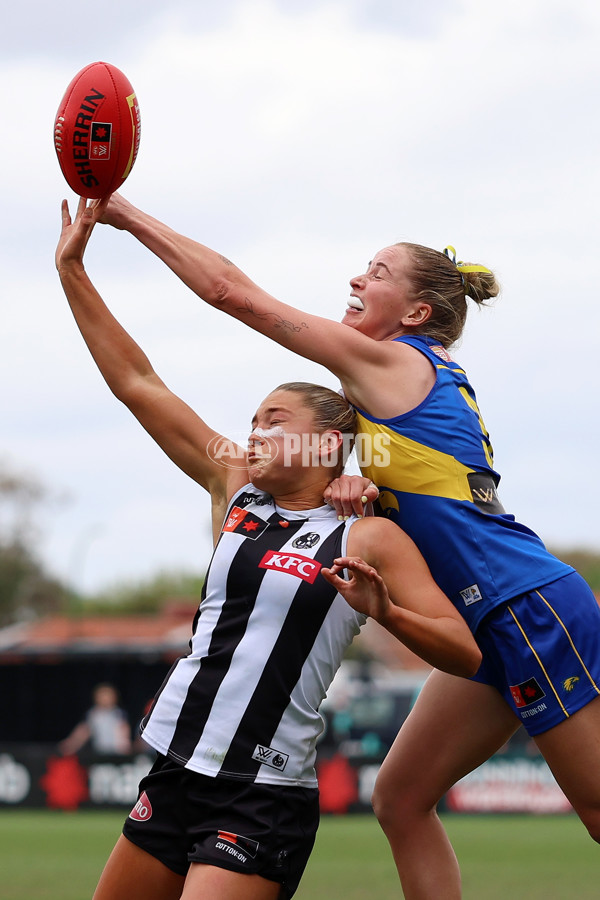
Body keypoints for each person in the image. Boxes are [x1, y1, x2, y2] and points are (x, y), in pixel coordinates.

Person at [96, 193, 600, 899]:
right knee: (399, 799)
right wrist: (360, 480)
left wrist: (124, 213)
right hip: (485, 611)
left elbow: (228, 292)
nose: (358, 280)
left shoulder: (390, 361)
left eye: (377, 271)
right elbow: (396, 470)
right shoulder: (390, 393)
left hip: (524, 602)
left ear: (416, 313)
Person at [59, 682, 132, 756]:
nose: (105, 698)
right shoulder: (93, 714)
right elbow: (83, 731)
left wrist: (125, 745)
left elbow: (124, 730)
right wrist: (72, 744)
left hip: (118, 753)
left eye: (108, 695)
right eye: (102, 696)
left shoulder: (119, 714)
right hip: (99, 753)